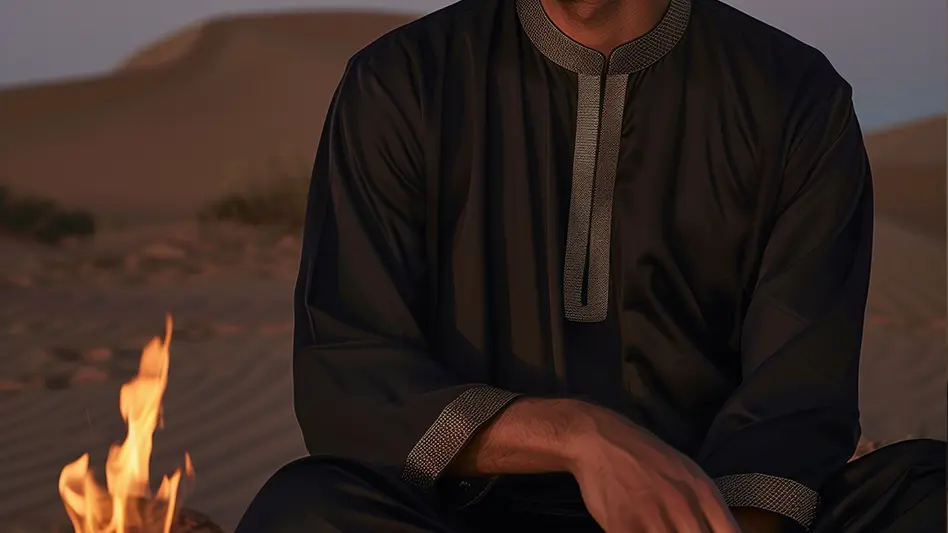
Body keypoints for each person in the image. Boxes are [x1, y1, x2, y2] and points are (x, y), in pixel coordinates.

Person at [236, 0, 947, 531]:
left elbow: (797, 396)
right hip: (465, 512)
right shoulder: (402, 82)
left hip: (708, 515)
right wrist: (582, 437)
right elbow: (347, 371)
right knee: (307, 510)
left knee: (927, 492)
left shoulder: (794, 97)